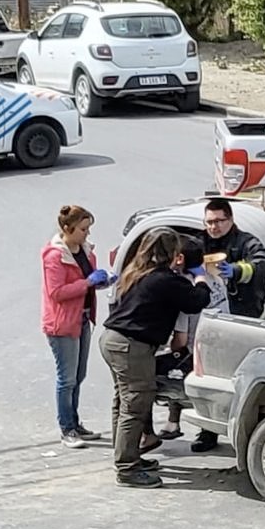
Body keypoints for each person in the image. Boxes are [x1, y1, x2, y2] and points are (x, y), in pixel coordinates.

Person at [100, 228, 213, 489]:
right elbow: (196, 302)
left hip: (113, 340)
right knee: (135, 404)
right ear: (173, 254)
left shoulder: (137, 273)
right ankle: (127, 468)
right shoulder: (165, 279)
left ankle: (127, 457)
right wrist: (201, 278)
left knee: (123, 401)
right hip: (132, 346)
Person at [196, 198, 265, 452]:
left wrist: (238, 271)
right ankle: (208, 430)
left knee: (240, 375)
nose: (213, 227)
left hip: (241, 318)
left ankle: (245, 430)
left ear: (230, 219)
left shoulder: (246, 242)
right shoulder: (200, 241)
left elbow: (261, 263)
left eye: (218, 221)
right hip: (210, 319)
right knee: (210, 375)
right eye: (209, 222)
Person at [41, 205, 111, 448]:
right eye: (83, 229)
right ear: (67, 228)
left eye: (88, 228)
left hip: (82, 319)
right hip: (62, 324)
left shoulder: (86, 252)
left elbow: (86, 284)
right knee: (67, 378)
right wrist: (86, 283)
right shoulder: (55, 256)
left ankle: (75, 422)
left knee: (79, 376)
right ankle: (67, 428)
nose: (87, 234)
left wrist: (100, 282)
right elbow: (57, 292)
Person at [156, 238, 229, 443]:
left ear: (180, 260)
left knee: (172, 372)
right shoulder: (215, 279)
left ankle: (193, 429)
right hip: (222, 341)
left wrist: (173, 349)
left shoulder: (183, 288)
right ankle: (194, 428)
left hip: (196, 347)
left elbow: (180, 337)